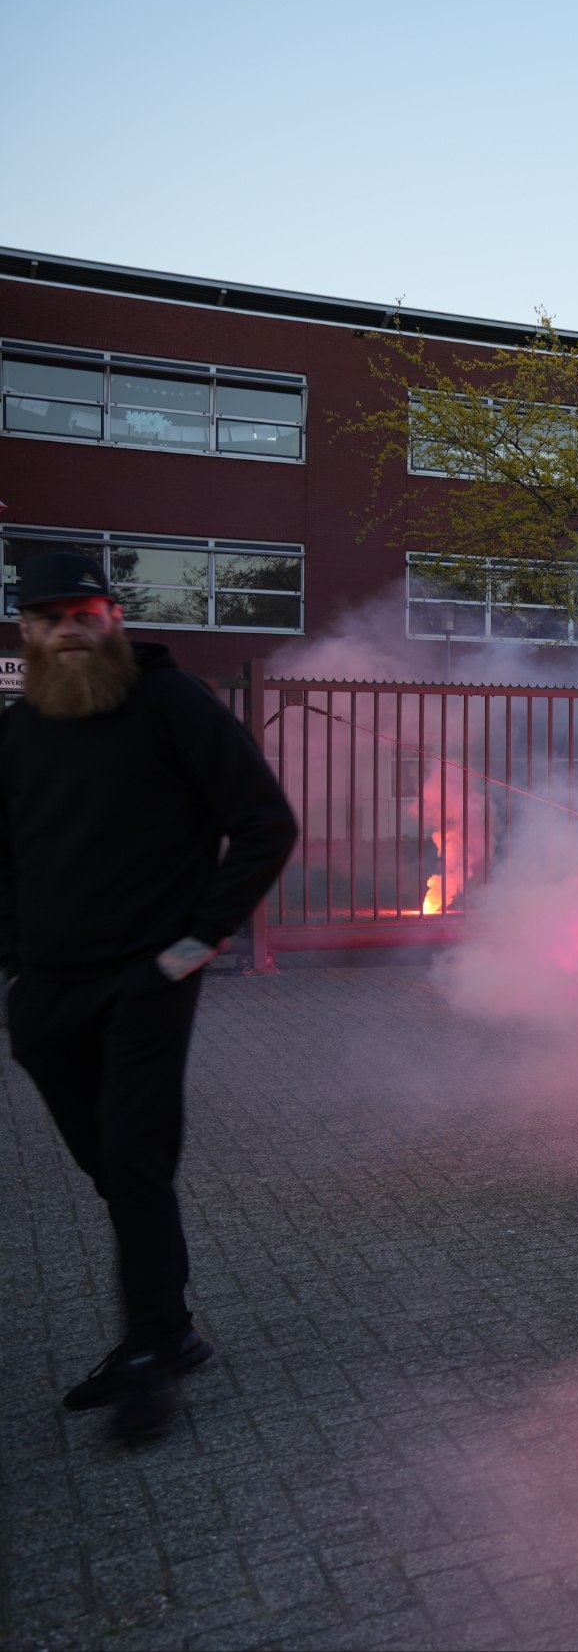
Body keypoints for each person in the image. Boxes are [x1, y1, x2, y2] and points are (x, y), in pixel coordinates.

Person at [0, 550, 298, 1441]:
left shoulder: (172, 704)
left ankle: (150, 1352)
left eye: (85, 612)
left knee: (133, 1161)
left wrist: (197, 940)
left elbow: (265, 823)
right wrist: (16, 955)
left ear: (115, 617)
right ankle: (171, 1327)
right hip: (46, 990)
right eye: (50, 617)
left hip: (147, 979)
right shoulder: (19, 727)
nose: (69, 628)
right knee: (112, 1168)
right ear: (28, 630)